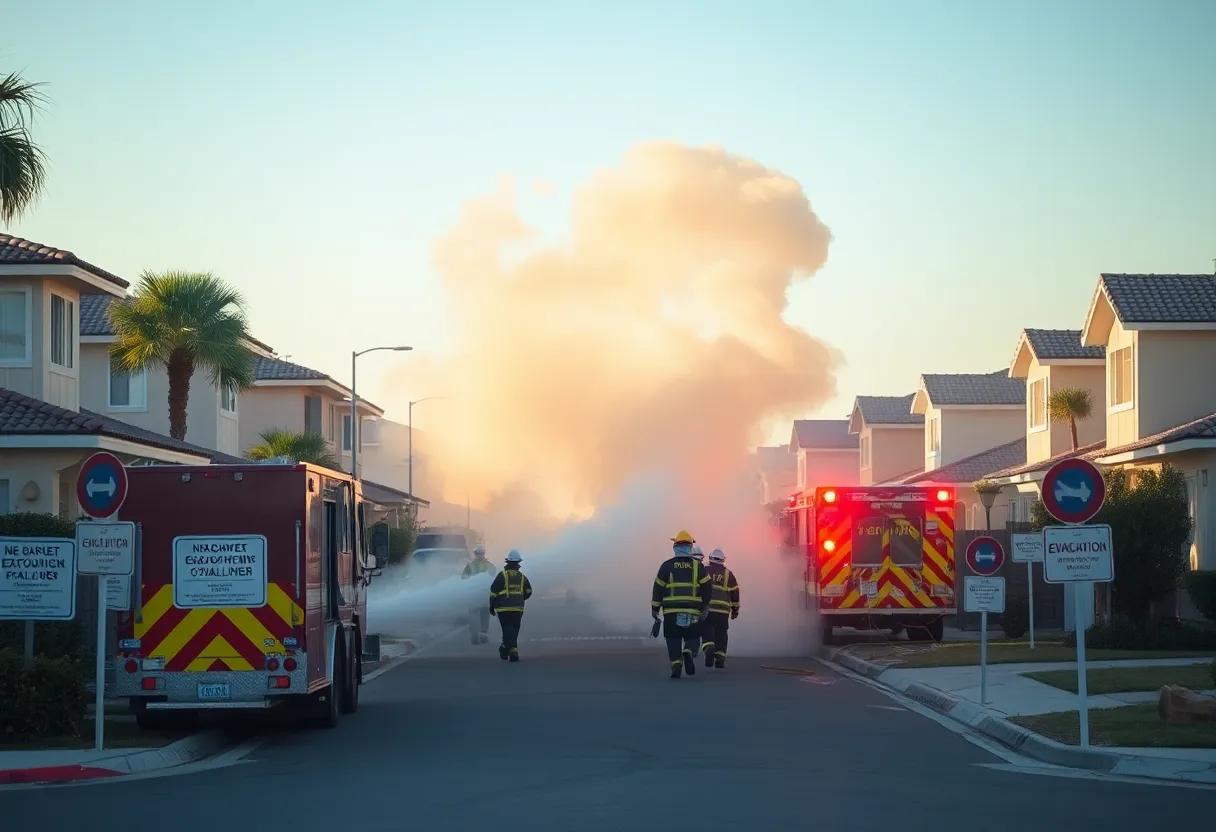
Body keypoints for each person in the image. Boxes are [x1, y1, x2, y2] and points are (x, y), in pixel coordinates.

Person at [651, 530, 713, 679]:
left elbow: (658, 588)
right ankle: (689, 652)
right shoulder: (698, 567)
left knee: (673, 638)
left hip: (671, 612)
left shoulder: (666, 566)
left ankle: (676, 664)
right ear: (690, 547)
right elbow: (707, 587)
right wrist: (705, 606)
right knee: (692, 637)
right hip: (692, 611)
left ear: (675, 546)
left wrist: (655, 609)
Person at [489, 550, 533, 662]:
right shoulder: (522, 577)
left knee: (507, 628)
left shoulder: (502, 575)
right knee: (514, 629)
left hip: (503, 608)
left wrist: (491, 605)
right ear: (518, 563)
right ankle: (509, 650)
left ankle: (508, 649)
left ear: (507, 562)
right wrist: (521, 598)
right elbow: (528, 590)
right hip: (518, 608)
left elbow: (493, 591)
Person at [701, 548, 740, 669]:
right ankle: (720, 659)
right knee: (721, 633)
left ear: (710, 558)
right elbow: (735, 593)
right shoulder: (729, 574)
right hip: (723, 610)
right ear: (723, 560)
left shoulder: (703, 570)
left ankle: (708, 647)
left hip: (707, 608)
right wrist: (735, 610)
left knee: (706, 629)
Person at [462, 545, 497, 644]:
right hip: (481, 595)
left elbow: (463, 579)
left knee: (479, 615)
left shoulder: (470, 566)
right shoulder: (488, 565)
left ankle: (478, 636)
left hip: (477, 596)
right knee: (481, 616)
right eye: (477, 554)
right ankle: (479, 635)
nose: (478, 555)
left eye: (479, 554)